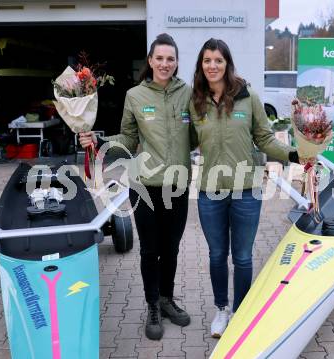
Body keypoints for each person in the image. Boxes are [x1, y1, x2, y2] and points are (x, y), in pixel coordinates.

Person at [79, 33, 193, 340]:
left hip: (178, 187)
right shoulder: (135, 96)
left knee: (171, 250)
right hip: (144, 187)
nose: (165, 63)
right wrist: (99, 141)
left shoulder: (189, 95)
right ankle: (153, 305)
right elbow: (128, 139)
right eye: (160, 58)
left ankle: (168, 300)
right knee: (150, 250)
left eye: (171, 58)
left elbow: (199, 135)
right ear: (150, 61)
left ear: (177, 62)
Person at [190, 38, 301, 338]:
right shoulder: (195, 100)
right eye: (207, 60)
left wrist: (294, 154)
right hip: (210, 192)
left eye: (218, 60)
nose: (212, 66)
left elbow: (264, 139)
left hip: (247, 191)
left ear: (227, 64)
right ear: (201, 65)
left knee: (242, 257)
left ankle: (240, 312)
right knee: (216, 255)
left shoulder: (247, 96)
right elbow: (183, 141)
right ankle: (221, 309)